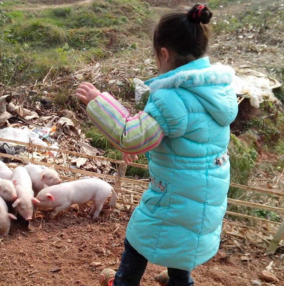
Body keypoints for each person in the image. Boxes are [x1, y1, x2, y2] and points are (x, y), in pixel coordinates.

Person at [75, 4, 238, 286]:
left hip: (175, 194)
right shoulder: (217, 90)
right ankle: (179, 281)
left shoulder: (171, 97)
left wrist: (98, 101)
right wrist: (142, 144)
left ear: (164, 54)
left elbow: (130, 134)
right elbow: (183, 139)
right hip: (205, 192)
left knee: (140, 236)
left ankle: (124, 281)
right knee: (184, 238)